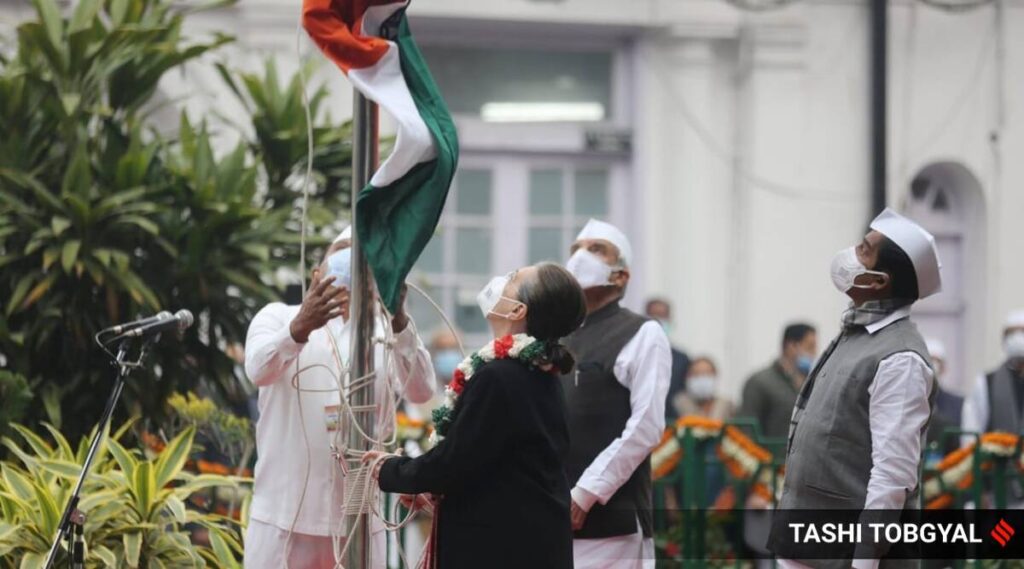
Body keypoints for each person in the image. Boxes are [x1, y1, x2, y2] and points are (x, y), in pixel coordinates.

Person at [363, 262, 587, 569]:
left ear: (517, 310)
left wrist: (388, 469)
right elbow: (490, 461)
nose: (502, 279)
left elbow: (454, 460)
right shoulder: (534, 372)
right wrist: (430, 487)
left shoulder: (501, 376)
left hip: (503, 548)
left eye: (512, 279)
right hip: (529, 540)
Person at [242, 226, 436, 569]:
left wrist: (399, 317)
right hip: (282, 517)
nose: (353, 263)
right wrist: (299, 327)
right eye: (344, 251)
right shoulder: (277, 317)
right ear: (318, 273)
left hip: (360, 518)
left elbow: (422, 389)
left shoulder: (384, 332)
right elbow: (258, 370)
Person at [767, 209, 942, 569]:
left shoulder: (901, 358)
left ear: (879, 281)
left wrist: (864, 561)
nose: (850, 253)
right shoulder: (854, 333)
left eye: (863, 250)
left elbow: (892, 476)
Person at [561, 219, 672, 569]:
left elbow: (647, 426)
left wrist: (586, 493)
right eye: (576, 249)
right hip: (553, 518)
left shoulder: (643, 333)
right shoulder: (555, 335)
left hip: (612, 524)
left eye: (596, 250)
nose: (580, 257)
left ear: (621, 274)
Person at [738, 323, 818, 439]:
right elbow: (746, 431)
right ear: (792, 346)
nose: (814, 353)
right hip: (772, 455)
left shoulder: (814, 383)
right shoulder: (760, 382)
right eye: (810, 347)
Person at [961, 310, 1024, 437]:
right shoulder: (986, 382)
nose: (1018, 338)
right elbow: (972, 429)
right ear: (1003, 339)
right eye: (1012, 333)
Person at [645, 298, 691, 423]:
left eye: (663, 316)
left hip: (672, 424)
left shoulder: (682, 359)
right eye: (653, 315)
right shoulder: (632, 355)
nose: (659, 320)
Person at [923, 338, 963, 456]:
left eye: (937, 361)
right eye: (928, 359)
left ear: (944, 367)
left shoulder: (958, 404)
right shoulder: (906, 403)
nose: (932, 365)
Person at [672, 356, 734, 421]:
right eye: (696, 374)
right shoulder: (678, 404)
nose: (701, 378)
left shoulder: (726, 405)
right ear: (687, 377)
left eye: (707, 374)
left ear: (715, 376)